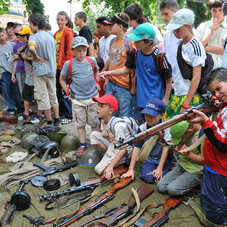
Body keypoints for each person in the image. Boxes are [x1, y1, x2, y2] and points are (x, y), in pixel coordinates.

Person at [185, 67, 227, 225]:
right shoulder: (223, 105)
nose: (216, 95)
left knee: (216, 212)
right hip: (216, 167)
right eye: (213, 92)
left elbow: (223, 144)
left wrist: (206, 122)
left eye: (219, 88)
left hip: (220, 171)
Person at [99, 23, 172, 112]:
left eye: (138, 41)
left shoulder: (159, 57)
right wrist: (110, 73)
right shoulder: (135, 53)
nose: (135, 43)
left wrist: (166, 98)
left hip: (155, 99)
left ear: (148, 42)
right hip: (140, 99)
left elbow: (168, 78)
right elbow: (127, 68)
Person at [163, 8, 206, 121]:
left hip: (188, 96)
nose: (175, 32)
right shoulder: (181, 43)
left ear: (189, 27)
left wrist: (186, 104)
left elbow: (196, 78)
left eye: (178, 29)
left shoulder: (195, 46)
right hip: (178, 92)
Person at [59, 36, 100, 157]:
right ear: (73, 50)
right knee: (80, 123)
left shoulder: (92, 60)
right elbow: (62, 79)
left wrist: (97, 82)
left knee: (94, 122)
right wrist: (67, 91)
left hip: (93, 97)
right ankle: (83, 145)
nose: (82, 53)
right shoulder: (69, 64)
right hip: (77, 99)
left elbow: (97, 71)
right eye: (78, 50)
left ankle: (96, 143)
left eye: (84, 50)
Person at [121, 98, 172, 183]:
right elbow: (136, 148)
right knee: (148, 178)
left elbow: (166, 149)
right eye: (146, 114)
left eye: (152, 115)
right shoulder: (142, 128)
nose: (148, 118)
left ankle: (162, 170)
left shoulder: (167, 128)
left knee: (159, 180)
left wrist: (159, 168)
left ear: (162, 115)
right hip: (149, 160)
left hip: (164, 161)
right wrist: (130, 169)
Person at [28, 13, 60, 126]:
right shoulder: (51, 38)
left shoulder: (34, 37)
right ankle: (57, 119)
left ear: (36, 24)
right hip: (51, 70)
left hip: (40, 70)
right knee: (53, 94)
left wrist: (36, 57)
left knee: (42, 95)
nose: (30, 27)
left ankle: (49, 120)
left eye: (30, 24)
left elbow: (31, 47)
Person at [90, 94, 132, 179]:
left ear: (110, 111)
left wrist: (111, 166)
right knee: (93, 135)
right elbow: (110, 137)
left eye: (102, 106)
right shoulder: (105, 120)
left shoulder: (117, 125)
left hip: (124, 151)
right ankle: (109, 156)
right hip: (113, 146)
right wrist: (103, 133)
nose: (97, 108)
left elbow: (123, 148)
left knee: (99, 169)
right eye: (98, 105)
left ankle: (117, 163)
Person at [101, 13, 135, 117]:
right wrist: (107, 79)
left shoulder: (130, 42)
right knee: (109, 113)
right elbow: (112, 60)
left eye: (111, 25)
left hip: (124, 86)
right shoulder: (112, 41)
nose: (109, 27)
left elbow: (134, 67)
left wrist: (133, 87)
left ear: (120, 27)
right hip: (111, 83)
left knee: (124, 116)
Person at [157, 120, 204, 196]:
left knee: (173, 190)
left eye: (181, 137)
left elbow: (206, 161)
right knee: (161, 187)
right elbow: (175, 144)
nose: (181, 138)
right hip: (182, 165)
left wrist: (188, 154)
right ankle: (183, 182)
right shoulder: (184, 130)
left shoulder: (202, 136)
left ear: (190, 131)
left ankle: (198, 182)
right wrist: (177, 147)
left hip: (195, 170)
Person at [53, 11, 74, 125]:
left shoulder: (68, 32)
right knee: (58, 90)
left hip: (64, 66)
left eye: (62, 19)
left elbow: (70, 50)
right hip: (56, 66)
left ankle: (69, 114)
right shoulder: (56, 33)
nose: (59, 21)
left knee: (64, 90)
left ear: (66, 21)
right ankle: (61, 111)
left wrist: (66, 66)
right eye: (58, 19)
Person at [196, 0, 227, 69]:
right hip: (205, 70)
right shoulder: (202, 26)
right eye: (214, 10)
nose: (217, 14)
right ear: (210, 10)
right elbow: (196, 48)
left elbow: (225, 50)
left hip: (223, 69)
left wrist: (207, 48)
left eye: (220, 10)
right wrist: (210, 33)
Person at [0, 27, 24, 115]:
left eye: (2, 35)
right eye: (0, 36)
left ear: (5, 35)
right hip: (4, 71)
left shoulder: (12, 45)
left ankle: (20, 107)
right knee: (6, 90)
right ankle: (11, 107)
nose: (1, 38)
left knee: (16, 90)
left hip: (14, 70)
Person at [160, 0, 180, 83]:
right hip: (170, 78)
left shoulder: (187, 32)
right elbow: (166, 56)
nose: (164, 17)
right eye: (162, 14)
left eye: (166, 14)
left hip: (184, 79)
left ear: (175, 12)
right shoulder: (167, 33)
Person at [12, 27, 30, 98]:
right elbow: (15, 59)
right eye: (17, 34)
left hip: (28, 69)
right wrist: (13, 74)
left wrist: (19, 56)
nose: (19, 36)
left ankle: (32, 107)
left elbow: (28, 56)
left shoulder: (28, 44)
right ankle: (25, 107)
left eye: (21, 35)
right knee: (22, 90)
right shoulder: (15, 45)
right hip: (19, 69)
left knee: (30, 89)